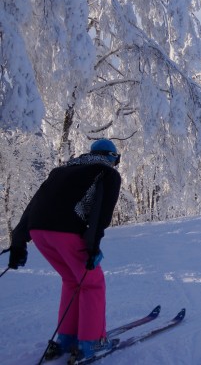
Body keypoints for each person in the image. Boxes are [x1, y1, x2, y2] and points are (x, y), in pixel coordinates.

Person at [7, 139, 122, 361]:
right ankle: (91, 342)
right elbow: (102, 214)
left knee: (73, 280)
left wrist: (18, 242)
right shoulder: (107, 173)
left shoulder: (61, 171)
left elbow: (34, 204)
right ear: (111, 157)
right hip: (66, 233)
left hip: (39, 232)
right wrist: (92, 246)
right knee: (92, 283)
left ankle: (67, 339)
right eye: (116, 159)